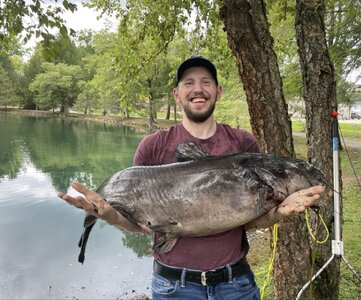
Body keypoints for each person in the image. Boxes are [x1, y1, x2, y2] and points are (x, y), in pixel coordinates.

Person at [58, 56, 324, 299]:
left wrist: (278, 214)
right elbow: (138, 225)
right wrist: (108, 215)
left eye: (206, 82)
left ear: (217, 91)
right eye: (189, 83)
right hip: (174, 286)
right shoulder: (153, 146)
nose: (198, 89)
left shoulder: (244, 144)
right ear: (177, 94)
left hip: (235, 284)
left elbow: (249, 222)